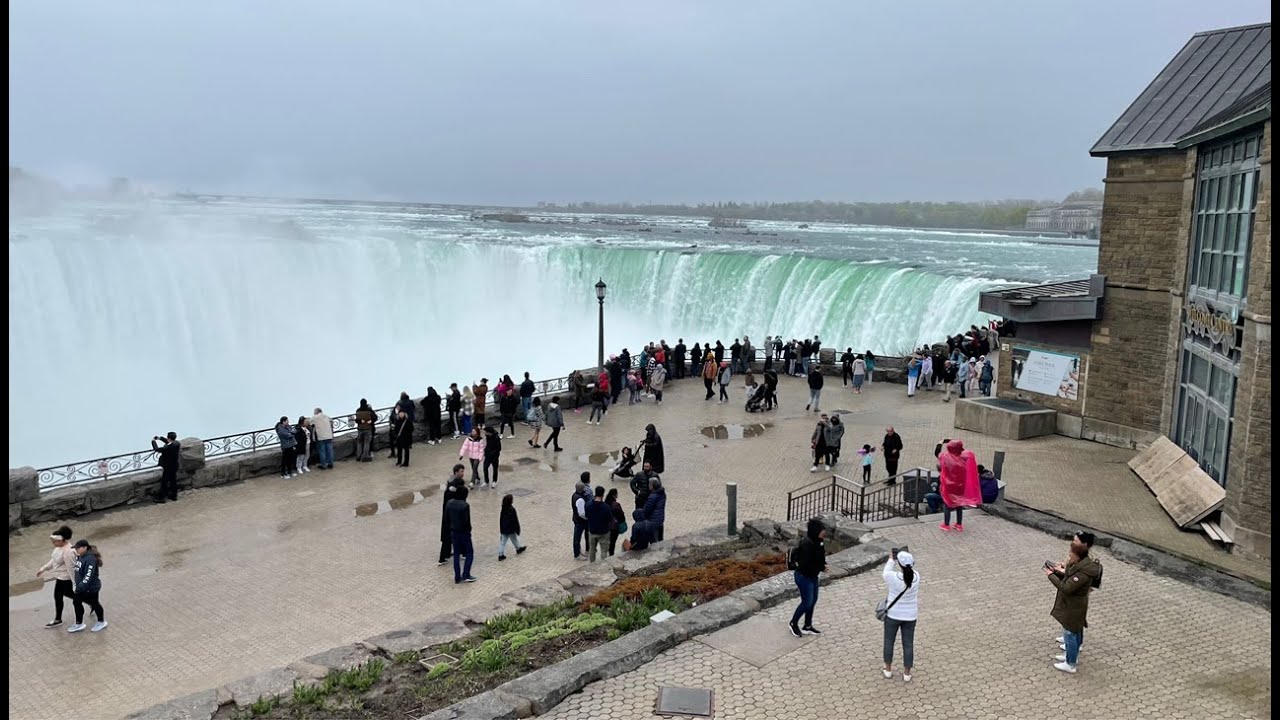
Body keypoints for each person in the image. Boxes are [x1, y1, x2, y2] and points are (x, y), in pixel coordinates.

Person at [1045, 532, 1101, 673]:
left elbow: (1067, 587)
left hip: (1074, 605)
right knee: (1075, 627)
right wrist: (1059, 571)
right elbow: (1070, 576)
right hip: (1075, 604)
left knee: (1070, 632)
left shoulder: (1084, 571)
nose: (1069, 555)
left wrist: (1051, 576)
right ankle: (1073, 650)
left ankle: (1070, 662)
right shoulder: (1081, 564)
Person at [882, 549, 920, 682]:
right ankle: (907, 673)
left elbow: (886, 572)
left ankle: (888, 669)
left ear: (900, 564)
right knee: (908, 644)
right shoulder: (916, 576)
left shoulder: (892, 577)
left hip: (893, 615)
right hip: (910, 616)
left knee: (889, 641)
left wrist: (891, 559)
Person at [788, 518, 827, 638]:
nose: (824, 532)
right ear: (816, 531)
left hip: (812, 576)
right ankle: (793, 623)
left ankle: (807, 626)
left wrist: (822, 565)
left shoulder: (819, 541)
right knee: (807, 602)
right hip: (804, 577)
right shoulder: (807, 544)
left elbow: (820, 557)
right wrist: (821, 567)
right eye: (822, 530)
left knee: (813, 601)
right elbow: (807, 564)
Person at [36, 526, 77, 628]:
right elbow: (53, 560)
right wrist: (43, 569)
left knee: (67, 595)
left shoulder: (68, 551)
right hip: (59, 577)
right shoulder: (58, 548)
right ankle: (58, 619)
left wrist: (75, 583)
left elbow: (71, 568)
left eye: (55, 541)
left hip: (66, 578)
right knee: (61, 596)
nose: (53, 543)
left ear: (62, 540)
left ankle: (58, 619)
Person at [938, 439, 981, 531]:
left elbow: (937, 453)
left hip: (949, 486)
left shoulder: (945, 457)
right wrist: (956, 445)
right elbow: (963, 450)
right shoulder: (966, 457)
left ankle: (946, 524)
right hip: (961, 486)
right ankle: (959, 524)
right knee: (959, 504)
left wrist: (941, 442)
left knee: (947, 504)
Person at [68, 539, 106, 633]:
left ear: (85, 548)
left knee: (94, 603)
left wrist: (81, 586)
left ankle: (101, 621)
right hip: (81, 587)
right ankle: (79, 623)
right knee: (76, 602)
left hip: (91, 587)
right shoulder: (80, 556)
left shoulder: (90, 559)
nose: (76, 550)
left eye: (78, 548)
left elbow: (89, 575)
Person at [447, 486, 477, 583]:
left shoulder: (449, 503)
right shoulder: (465, 505)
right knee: (469, 552)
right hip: (464, 533)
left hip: (453, 532)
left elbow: (446, 518)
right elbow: (466, 522)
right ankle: (466, 574)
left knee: (456, 554)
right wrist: (469, 531)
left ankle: (457, 577)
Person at [438, 466, 466, 565]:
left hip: (449, 515)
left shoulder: (451, 486)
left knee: (449, 535)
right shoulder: (456, 488)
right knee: (455, 534)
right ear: (456, 472)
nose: (463, 473)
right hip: (452, 516)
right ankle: (461, 553)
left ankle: (446, 555)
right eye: (461, 471)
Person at [150, 432, 181, 503]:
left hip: (168, 467)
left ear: (169, 438)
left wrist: (153, 441)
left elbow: (157, 449)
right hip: (174, 465)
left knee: (164, 482)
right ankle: (174, 495)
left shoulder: (167, 448)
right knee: (173, 481)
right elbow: (169, 442)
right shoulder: (177, 443)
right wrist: (160, 438)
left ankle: (161, 497)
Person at [586, 486, 614, 562]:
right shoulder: (606, 507)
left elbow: (586, 516)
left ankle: (591, 564)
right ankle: (603, 566)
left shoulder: (588, 505)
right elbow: (610, 519)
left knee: (592, 550)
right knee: (604, 551)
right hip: (603, 532)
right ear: (602, 495)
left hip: (592, 531)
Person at [497, 493, 528, 561]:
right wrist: (517, 528)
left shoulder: (503, 508)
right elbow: (515, 520)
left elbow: (501, 519)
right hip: (511, 529)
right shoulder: (512, 509)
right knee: (513, 539)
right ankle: (517, 549)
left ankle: (501, 554)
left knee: (504, 541)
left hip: (504, 529)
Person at [571, 477, 591, 560]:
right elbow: (581, 513)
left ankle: (579, 551)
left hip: (577, 519)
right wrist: (587, 518)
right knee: (577, 538)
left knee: (578, 537)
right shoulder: (580, 499)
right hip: (580, 521)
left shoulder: (574, 495)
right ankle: (577, 554)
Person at [641, 476, 667, 541]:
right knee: (660, 539)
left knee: (654, 541)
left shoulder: (652, 497)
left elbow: (647, 510)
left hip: (653, 521)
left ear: (652, 486)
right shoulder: (662, 494)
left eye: (649, 484)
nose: (648, 486)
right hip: (660, 519)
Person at [605, 488, 627, 555]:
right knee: (613, 542)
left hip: (606, 526)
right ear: (614, 495)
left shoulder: (605, 504)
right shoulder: (616, 505)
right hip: (614, 527)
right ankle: (611, 554)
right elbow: (621, 516)